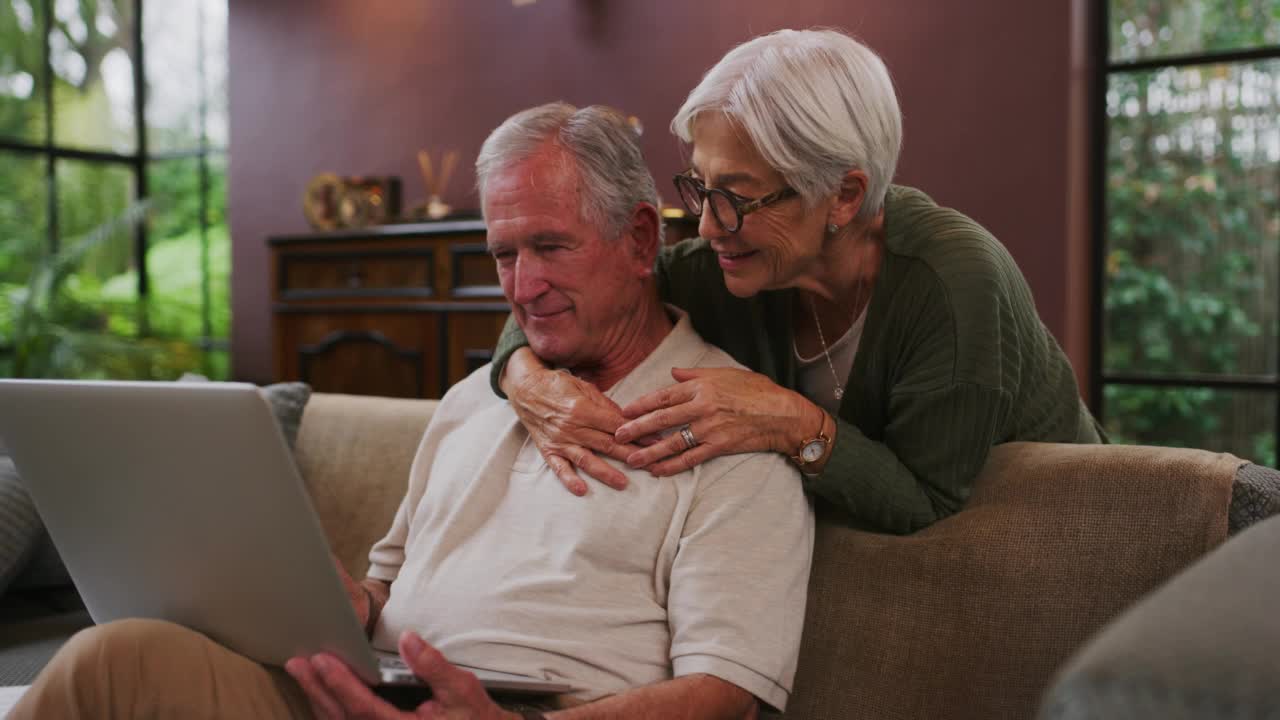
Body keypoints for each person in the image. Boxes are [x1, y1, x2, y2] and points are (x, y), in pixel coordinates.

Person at [10, 103, 813, 720]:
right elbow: (388, 589)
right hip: (359, 692)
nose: (520, 287)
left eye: (551, 247)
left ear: (642, 241)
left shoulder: (729, 430)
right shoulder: (477, 397)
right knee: (113, 657)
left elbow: (724, 695)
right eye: (504, 254)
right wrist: (345, 602)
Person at [493, 28, 1104, 536]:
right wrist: (529, 384)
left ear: (843, 195)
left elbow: (930, 504)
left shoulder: (955, 280)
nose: (708, 225)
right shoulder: (729, 261)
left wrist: (791, 420)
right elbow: (577, 296)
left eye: (736, 196)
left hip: (1062, 539)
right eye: (701, 188)